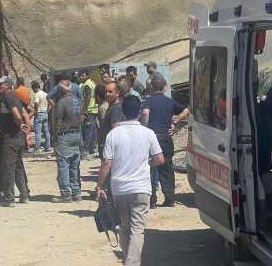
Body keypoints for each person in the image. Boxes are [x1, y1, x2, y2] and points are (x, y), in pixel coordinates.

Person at [96, 96, 164, 266]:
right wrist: (148, 162)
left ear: (123, 113)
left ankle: (129, 260)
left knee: (125, 228)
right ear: (140, 113)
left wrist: (99, 185)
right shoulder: (148, 133)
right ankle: (132, 263)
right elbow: (160, 159)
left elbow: (107, 163)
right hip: (141, 189)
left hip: (119, 189)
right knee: (137, 230)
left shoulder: (113, 134)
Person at [141, 73, 188, 208]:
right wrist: (176, 121)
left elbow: (145, 113)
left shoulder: (148, 101)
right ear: (164, 87)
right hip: (166, 138)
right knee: (167, 169)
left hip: (152, 139)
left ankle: (152, 200)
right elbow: (186, 110)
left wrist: (144, 129)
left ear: (152, 87)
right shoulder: (169, 101)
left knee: (150, 169)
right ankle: (170, 198)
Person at [0, 77, 31, 206]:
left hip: (10, 137)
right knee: (18, 166)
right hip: (19, 137)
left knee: (9, 167)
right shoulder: (16, 97)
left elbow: (17, 115)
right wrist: (27, 132)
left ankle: (9, 199)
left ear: (7, 86)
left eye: (0, 84)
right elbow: (26, 114)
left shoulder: (6, 98)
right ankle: (24, 195)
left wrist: (20, 124)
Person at [52, 75, 82, 202]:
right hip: (77, 134)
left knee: (63, 164)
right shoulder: (77, 100)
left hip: (64, 135)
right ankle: (76, 192)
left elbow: (58, 122)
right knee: (74, 165)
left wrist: (55, 136)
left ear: (60, 90)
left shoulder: (61, 102)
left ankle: (65, 194)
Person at [79, 71, 98, 157]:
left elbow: (88, 97)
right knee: (93, 130)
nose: (81, 77)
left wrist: (84, 110)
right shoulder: (92, 83)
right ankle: (92, 149)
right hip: (93, 109)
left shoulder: (87, 85)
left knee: (87, 130)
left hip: (89, 110)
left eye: (83, 75)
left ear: (87, 75)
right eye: (80, 76)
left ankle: (86, 150)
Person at [31, 81, 51, 153]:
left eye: (33, 89)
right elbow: (50, 104)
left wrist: (35, 111)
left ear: (35, 88)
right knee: (46, 131)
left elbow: (36, 103)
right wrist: (47, 111)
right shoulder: (46, 94)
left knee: (38, 132)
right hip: (45, 113)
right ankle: (48, 147)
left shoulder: (37, 94)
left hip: (39, 114)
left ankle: (37, 148)